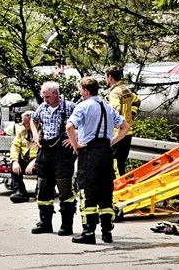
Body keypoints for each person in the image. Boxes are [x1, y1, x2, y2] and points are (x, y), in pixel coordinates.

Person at [66, 77, 129, 244]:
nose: (80, 93)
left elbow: (69, 127)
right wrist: (111, 142)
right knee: (105, 192)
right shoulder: (107, 107)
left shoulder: (83, 106)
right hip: (106, 154)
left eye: (81, 90)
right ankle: (107, 231)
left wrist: (76, 145)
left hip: (89, 153)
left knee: (88, 191)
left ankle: (88, 232)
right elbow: (125, 127)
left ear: (86, 91)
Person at [29, 81, 77, 235]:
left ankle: (66, 225)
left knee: (65, 190)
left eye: (48, 97)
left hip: (63, 153)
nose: (45, 100)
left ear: (56, 94)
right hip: (45, 151)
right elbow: (33, 120)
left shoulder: (69, 107)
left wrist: (74, 139)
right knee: (43, 187)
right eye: (43, 97)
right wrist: (35, 134)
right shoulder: (42, 107)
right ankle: (45, 223)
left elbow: (84, 123)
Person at [104, 65, 140, 177]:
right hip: (128, 132)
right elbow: (137, 101)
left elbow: (116, 109)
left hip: (117, 133)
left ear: (110, 77)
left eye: (106, 76)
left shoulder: (114, 92)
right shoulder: (126, 89)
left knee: (115, 165)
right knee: (121, 164)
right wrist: (131, 115)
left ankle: (119, 189)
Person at [9, 110, 38, 203]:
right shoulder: (22, 131)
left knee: (45, 165)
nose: (23, 125)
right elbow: (15, 146)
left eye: (26, 123)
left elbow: (46, 151)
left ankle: (41, 191)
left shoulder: (43, 131)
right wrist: (14, 161)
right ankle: (20, 192)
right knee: (14, 165)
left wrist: (34, 162)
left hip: (38, 161)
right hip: (25, 160)